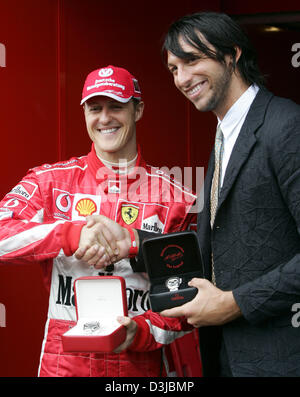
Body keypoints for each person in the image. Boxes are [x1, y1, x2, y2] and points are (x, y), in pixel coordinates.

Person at [89, 12, 300, 377]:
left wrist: (234, 303)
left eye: (192, 60)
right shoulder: (224, 137)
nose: (182, 78)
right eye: (173, 69)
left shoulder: (286, 125)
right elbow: (215, 252)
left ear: (231, 55)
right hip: (228, 357)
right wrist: (134, 242)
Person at [0, 65, 197, 377]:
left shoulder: (176, 198)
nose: (104, 118)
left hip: (139, 368)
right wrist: (70, 235)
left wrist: (141, 331)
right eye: (95, 108)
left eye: (116, 106)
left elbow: (189, 301)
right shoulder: (50, 182)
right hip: (63, 365)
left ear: (138, 110)